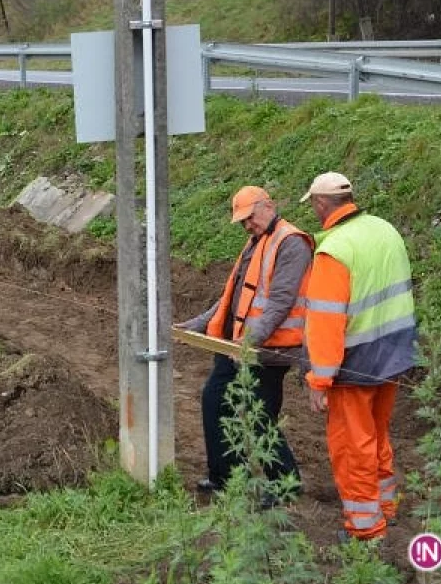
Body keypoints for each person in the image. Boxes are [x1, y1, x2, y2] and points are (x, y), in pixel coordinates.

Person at [174, 185, 313, 498]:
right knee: (214, 401)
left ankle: (284, 485)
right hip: (235, 346)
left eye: (250, 217)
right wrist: (198, 325)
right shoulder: (255, 242)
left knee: (260, 414)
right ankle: (224, 477)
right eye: (242, 221)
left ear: (269, 205)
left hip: (266, 350)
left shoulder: (291, 243)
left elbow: (280, 302)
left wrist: (248, 342)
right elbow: (231, 297)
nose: (247, 225)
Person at [300, 171, 417, 542]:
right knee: (378, 435)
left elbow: (326, 325)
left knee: (354, 447)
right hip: (394, 354)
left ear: (321, 204)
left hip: (355, 365)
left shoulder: (334, 251)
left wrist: (319, 379)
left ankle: (366, 530)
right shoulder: (384, 229)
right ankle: (386, 507)